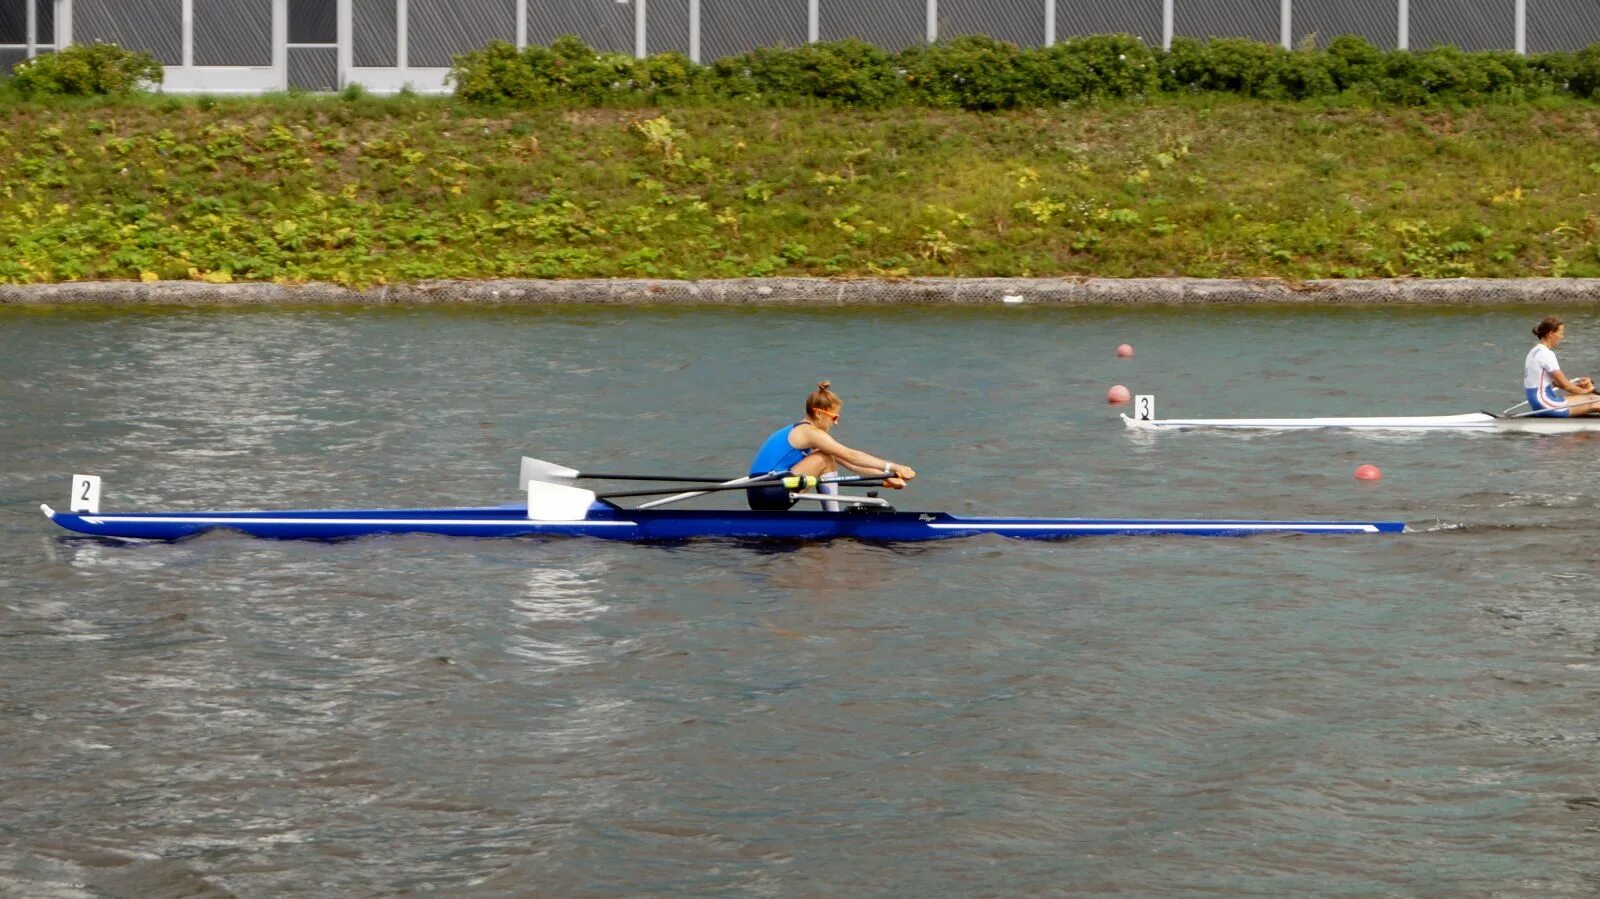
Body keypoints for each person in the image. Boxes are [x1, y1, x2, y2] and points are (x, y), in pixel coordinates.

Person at [747, 381, 917, 511]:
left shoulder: (807, 436)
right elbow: (851, 455)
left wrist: (886, 476)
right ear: (819, 413)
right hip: (766, 491)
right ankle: (832, 518)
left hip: (763, 491)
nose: (836, 423)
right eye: (834, 417)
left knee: (828, 457)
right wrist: (893, 466)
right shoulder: (809, 432)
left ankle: (832, 517)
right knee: (825, 458)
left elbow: (850, 464)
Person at [1525, 316, 1600, 416]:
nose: (1562, 337)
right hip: (1546, 404)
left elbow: (1555, 383)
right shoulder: (1546, 354)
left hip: (1539, 402)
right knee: (1595, 400)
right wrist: (1587, 391)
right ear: (1551, 334)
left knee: (1589, 398)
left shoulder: (1534, 351)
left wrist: (1578, 385)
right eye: (1560, 333)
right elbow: (1566, 385)